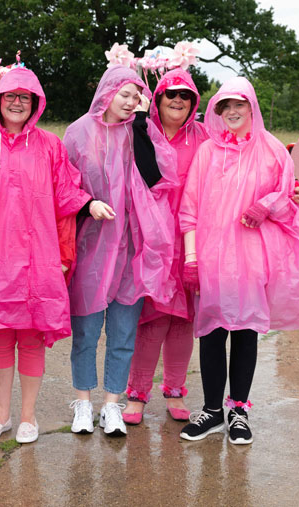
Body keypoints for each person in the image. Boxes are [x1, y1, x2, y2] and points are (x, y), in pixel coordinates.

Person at [0, 67, 111, 445]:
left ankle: (28, 416)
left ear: (36, 103)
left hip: (37, 258)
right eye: (11, 95)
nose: (17, 102)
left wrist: (87, 206)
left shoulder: (50, 146)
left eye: (25, 97)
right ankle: (1, 415)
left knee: (30, 338)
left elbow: (66, 196)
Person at [178, 77, 299, 445]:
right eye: (225, 106)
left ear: (252, 107)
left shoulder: (272, 150)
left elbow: (287, 197)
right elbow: (189, 208)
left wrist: (266, 205)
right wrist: (191, 258)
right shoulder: (207, 152)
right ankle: (212, 411)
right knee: (212, 332)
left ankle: (238, 411)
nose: (232, 112)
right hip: (212, 256)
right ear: (217, 111)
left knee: (246, 331)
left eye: (239, 105)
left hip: (252, 257)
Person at [63, 65, 178, 436]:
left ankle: (111, 405)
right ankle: (83, 402)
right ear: (107, 91)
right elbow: (62, 184)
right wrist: (88, 203)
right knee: (85, 331)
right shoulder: (78, 133)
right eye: (124, 94)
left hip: (132, 250)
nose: (130, 102)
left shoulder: (141, 132)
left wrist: (143, 124)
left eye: (136, 95)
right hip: (91, 248)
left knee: (123, 333)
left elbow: (158, 176)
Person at [123, 68, 209, 426]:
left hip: (192, 239)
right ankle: (137, 393)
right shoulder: (142, 131)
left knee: (182, 321)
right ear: (157, 99)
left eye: (185, 95)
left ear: (194, 103)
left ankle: (175, 390)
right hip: (151, 238)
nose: (178, 100)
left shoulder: (204, 137)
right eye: (171, 94)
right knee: (152, 319)